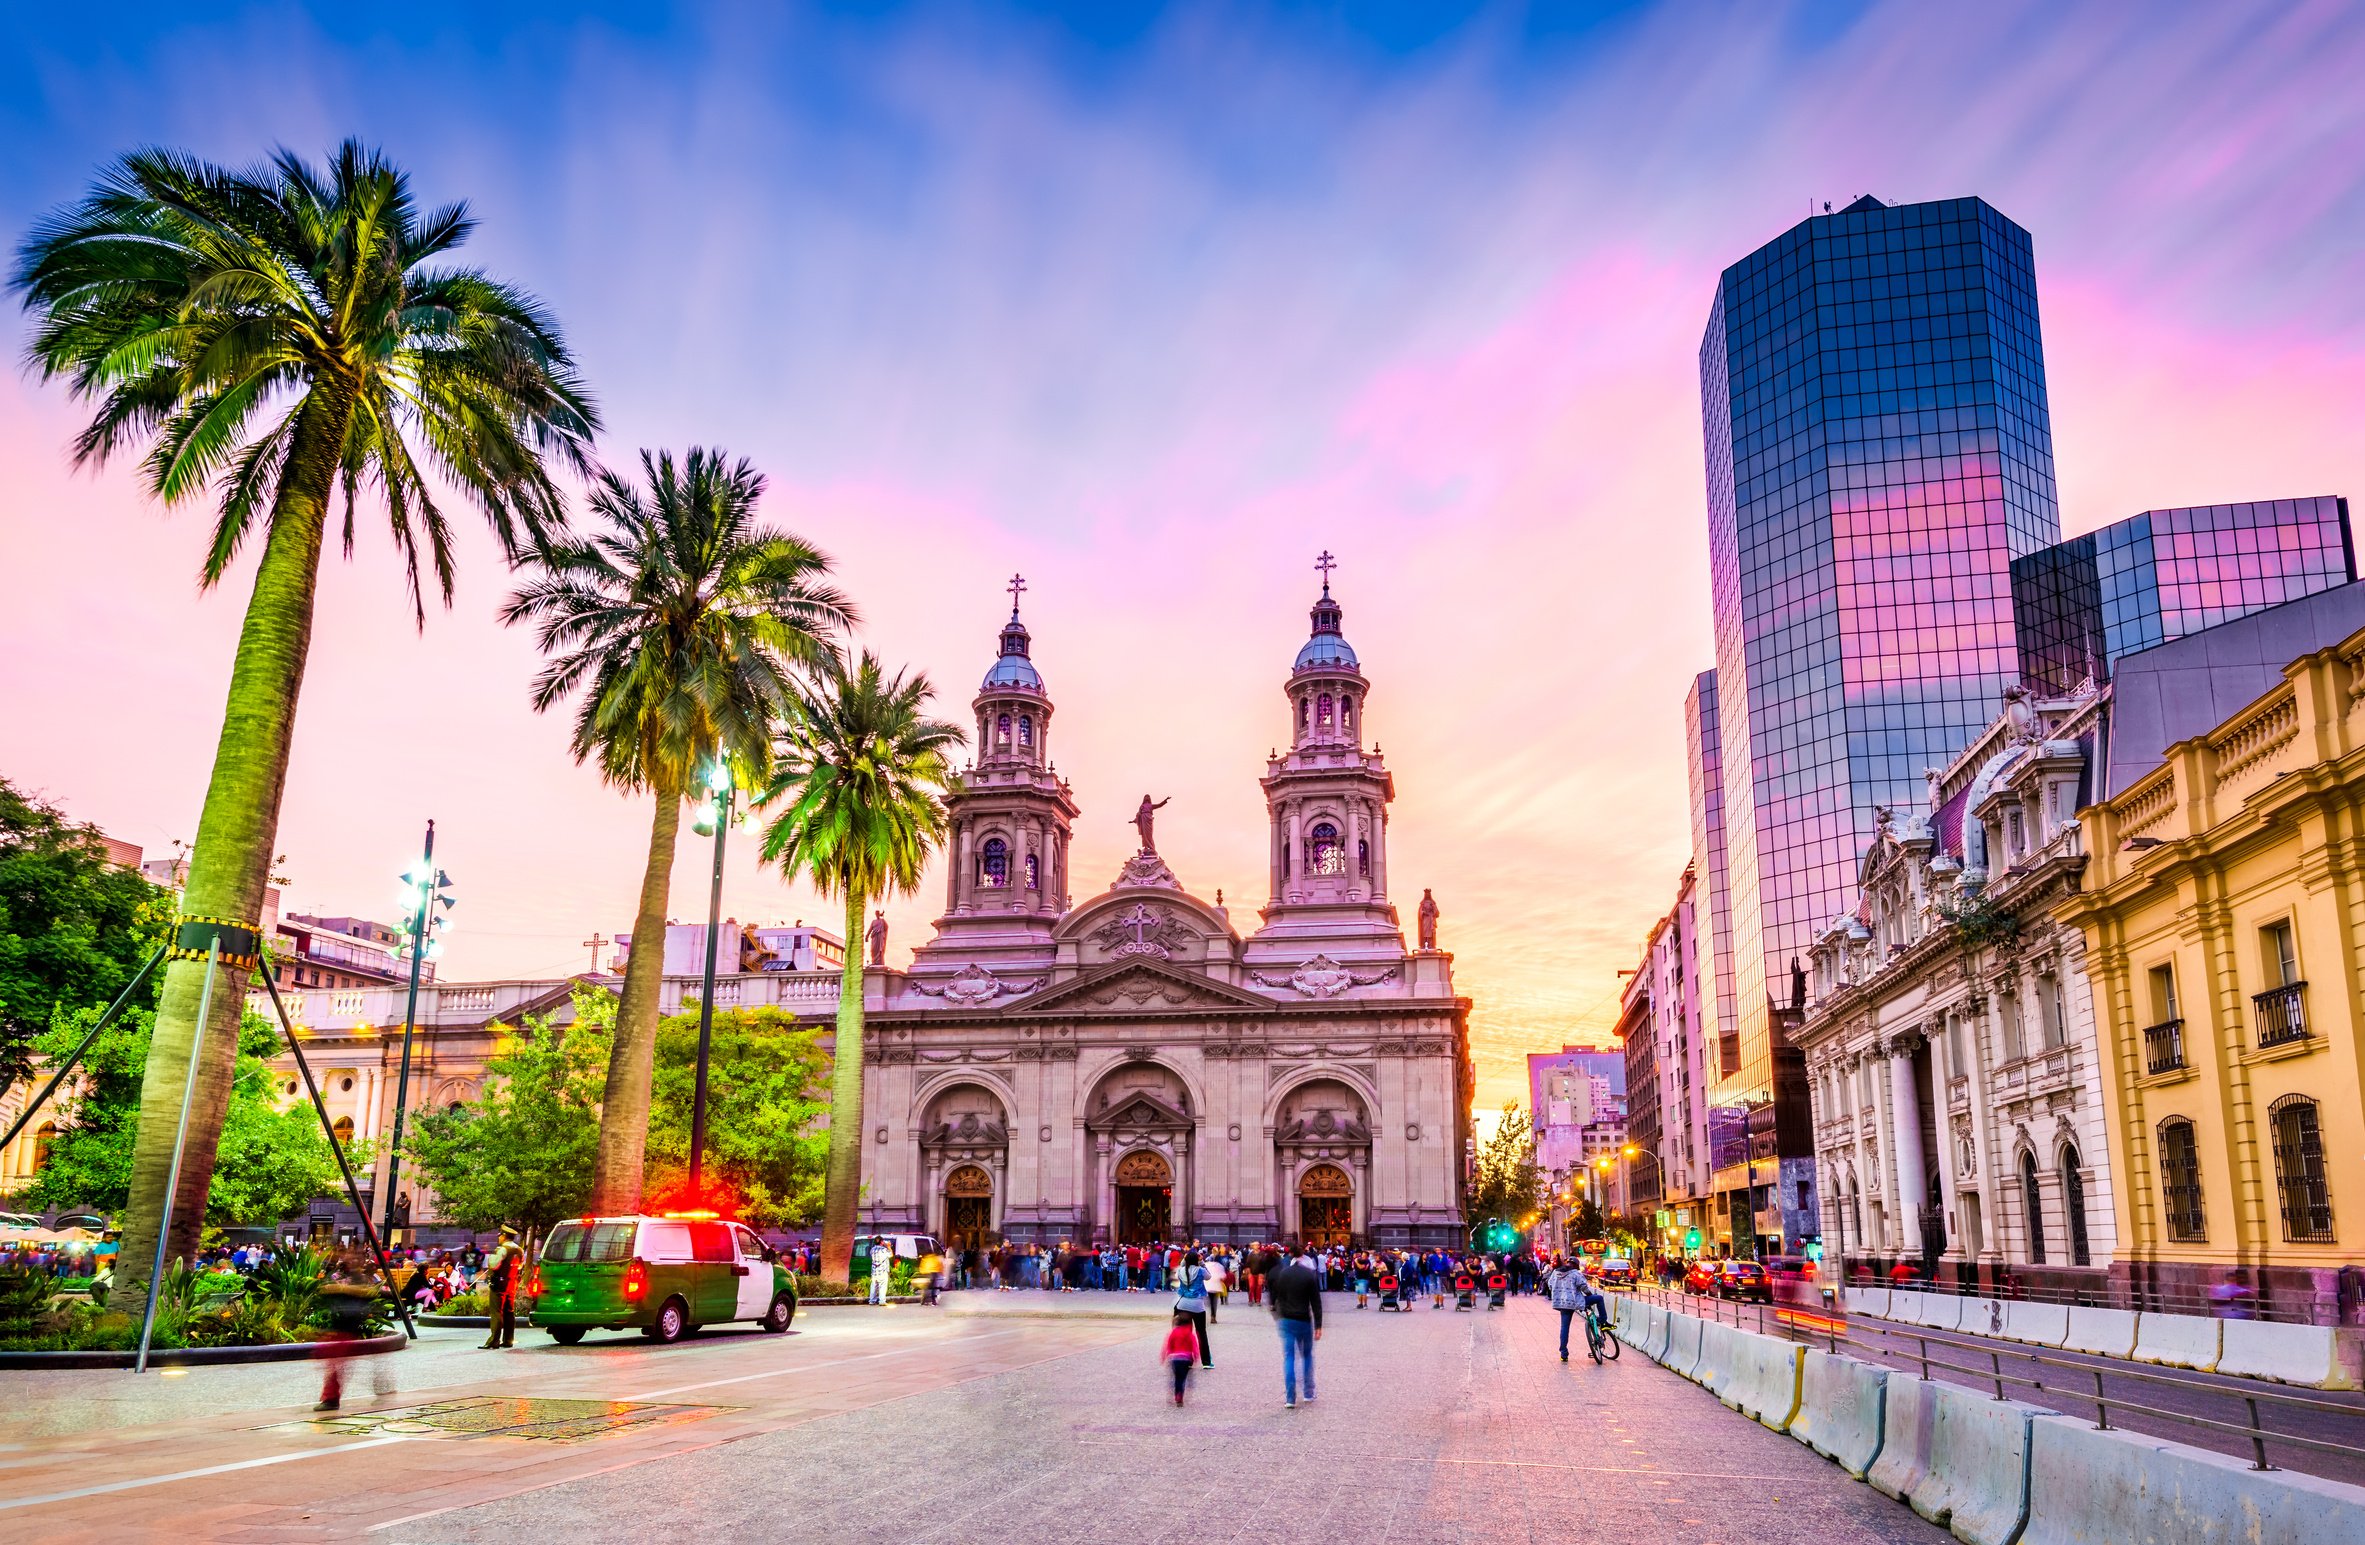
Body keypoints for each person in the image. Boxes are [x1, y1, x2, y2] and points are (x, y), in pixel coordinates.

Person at [1267, 1247, 1323, 1408]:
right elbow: (1316, 1302)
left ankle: (1290, 1398)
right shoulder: (1308, 1275)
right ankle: (1308, 1393)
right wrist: (1318, 1325)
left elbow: (1274, 1298)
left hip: (1286, 1320)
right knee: (1306, 1356)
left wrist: (1278, 1316)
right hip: (1303, 1320)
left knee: (1289, 1357)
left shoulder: (1283, 1274)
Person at [1543, 1252, 1602, 1363]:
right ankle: (1603, 1321)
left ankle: (1563, 1354)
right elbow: (1584, 1287)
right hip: (1575, 1302)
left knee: (1564, 1327)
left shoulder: (1556, 1272)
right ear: (1575, 1265)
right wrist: (1589, 1295)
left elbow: (1550, 1284)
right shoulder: (1575, 1273)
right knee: (1599, 1298)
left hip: (1561, 1304)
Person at [480, 1226, 524, 1349]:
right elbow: (520, 1266)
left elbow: (494, 1265)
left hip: (499, 1284)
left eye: (500, 1235)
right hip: (511, 1283)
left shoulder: (502, 1249)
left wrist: (491, 1258)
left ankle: (494, 1341)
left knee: (496, 1312)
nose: (499, 1238)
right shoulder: (519, 1250)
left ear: (504, 1236)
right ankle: (508, 1340)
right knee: (509, 1312)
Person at [1173, 1250, 1214, 1368]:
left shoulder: (1181, 1271)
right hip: (1197, 1305)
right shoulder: (1201, 1270)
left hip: (1182, 1305)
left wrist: (1184, 1260)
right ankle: (1206, 1362)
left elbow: (1177, 1274)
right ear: (1197, 1260)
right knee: (1201, 1333)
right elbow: (1209, 1276)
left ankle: (1187, 1360)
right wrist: (1202, 1262)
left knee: (1186, 1333)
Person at [1161, 1311, 1201, 1406]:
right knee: (1183, 1378)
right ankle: (1180, 1395)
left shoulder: (1174, 1332)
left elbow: (1168, 1345)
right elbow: (1195, 1346)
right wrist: (1196, 1357)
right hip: (1186, 1359)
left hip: (1174, 1359)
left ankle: (1175, 1392)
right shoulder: (1190, 1334)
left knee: (1176, 1377)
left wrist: (1165, 1356)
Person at [868, 1235, 893, 1304]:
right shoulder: (884, 1250)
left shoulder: (872, 1250)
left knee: (873, 1286)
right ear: (881, 1242)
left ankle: (872, 1300)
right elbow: (891, 1254)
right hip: (882, 1271)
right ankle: (882, 1301)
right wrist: (888, 1246)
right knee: (882, 1286)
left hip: (874, 1271)